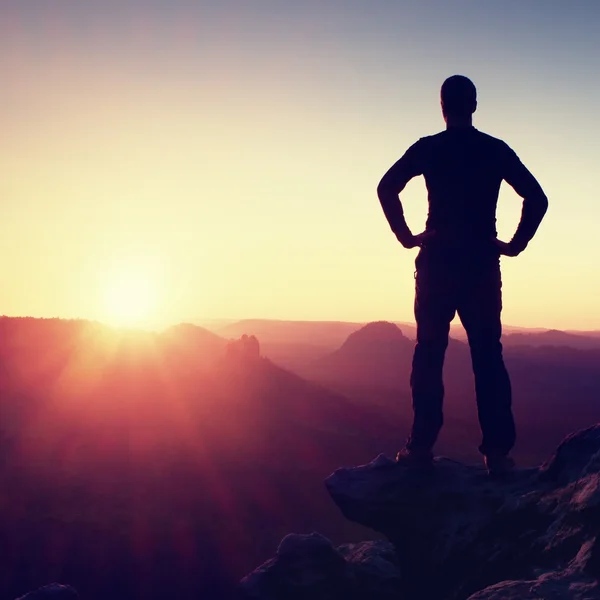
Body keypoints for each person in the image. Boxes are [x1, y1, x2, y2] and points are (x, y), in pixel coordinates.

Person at [377, 75, 548, 476]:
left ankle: (420, 448)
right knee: (487, 356)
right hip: (481, 265)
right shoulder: (494, 150)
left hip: (436, 263)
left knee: (429, 354)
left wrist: (407, 237)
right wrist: (514, 243)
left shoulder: (429, 148)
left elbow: (387, 187)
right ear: (474, 105)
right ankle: (498, 455)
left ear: (442, 106)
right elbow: (537, 198)